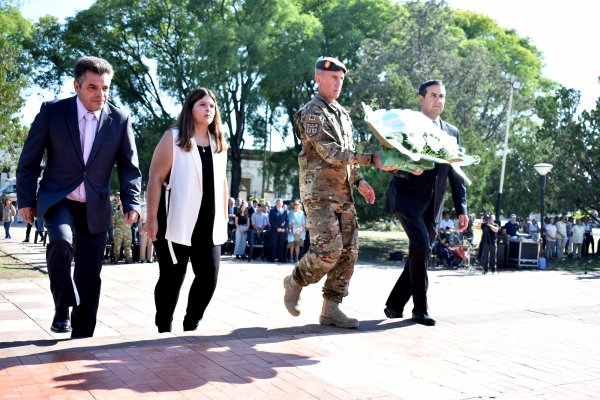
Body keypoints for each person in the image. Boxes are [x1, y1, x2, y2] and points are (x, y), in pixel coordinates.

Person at [16, 56, 142, 338]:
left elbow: (129, 167)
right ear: (77, 85)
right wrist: (26, 200)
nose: (101, 94)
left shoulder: (119, 119)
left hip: (95, 205)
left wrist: (132, 201)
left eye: (105, 88)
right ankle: (64, 305)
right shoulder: (53, 112)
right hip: (58, 199)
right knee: (61, 243)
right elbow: (29, 160)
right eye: (93, 87)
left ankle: (83, 336)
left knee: (89, 273)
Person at [283, 56, 388, 329]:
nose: (338, 83)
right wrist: (370, 158)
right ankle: (295, 280)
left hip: (343, 194)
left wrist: (361, 181)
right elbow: (331, 153)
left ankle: (331, 309)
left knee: (348, 253)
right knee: (328, 251)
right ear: (318, 78)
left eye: (341, 79)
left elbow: (348, 156)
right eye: (332, 78)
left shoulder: (342, 113)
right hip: (319, 194)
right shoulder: (312, 112)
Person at [383, 80, 468, 326]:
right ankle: (420, 310)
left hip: (434, 205)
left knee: (419, 254)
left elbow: (456, 172)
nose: (438, 100)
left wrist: (462, 208)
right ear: (421, 99)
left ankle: (394, 304)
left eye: (442, 96)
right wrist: (408, 169)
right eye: (433, 95)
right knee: (421, 247)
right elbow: (391, 161)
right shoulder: (406, 126)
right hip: (407, 198)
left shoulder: (452, 132)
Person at [145, 87, 228, 333]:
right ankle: (164, 326)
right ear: (190, 108)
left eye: (212, 106)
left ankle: (191, 323)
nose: (208, 109)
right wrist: (151, 219)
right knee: (172, 279)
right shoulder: (173, 138)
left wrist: (224, 216)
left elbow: (222, 181)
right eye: (202, 105)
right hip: (174, 222)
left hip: (209, 225)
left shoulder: (219, 143)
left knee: (209, 278)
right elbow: (155, 178)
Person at [110, 193, 133, 264]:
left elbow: (131, 222)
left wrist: (127, 227)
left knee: (127, 246)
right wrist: (117, 228)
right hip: (118, 231)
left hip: (127, 231)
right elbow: (112, 223)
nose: (122, 207)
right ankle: (115, 259)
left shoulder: (128, 213)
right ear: (119, 206)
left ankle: (128, 259)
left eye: (123, 205)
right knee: (117, 246)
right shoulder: (116, 213)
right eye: (121, 205)